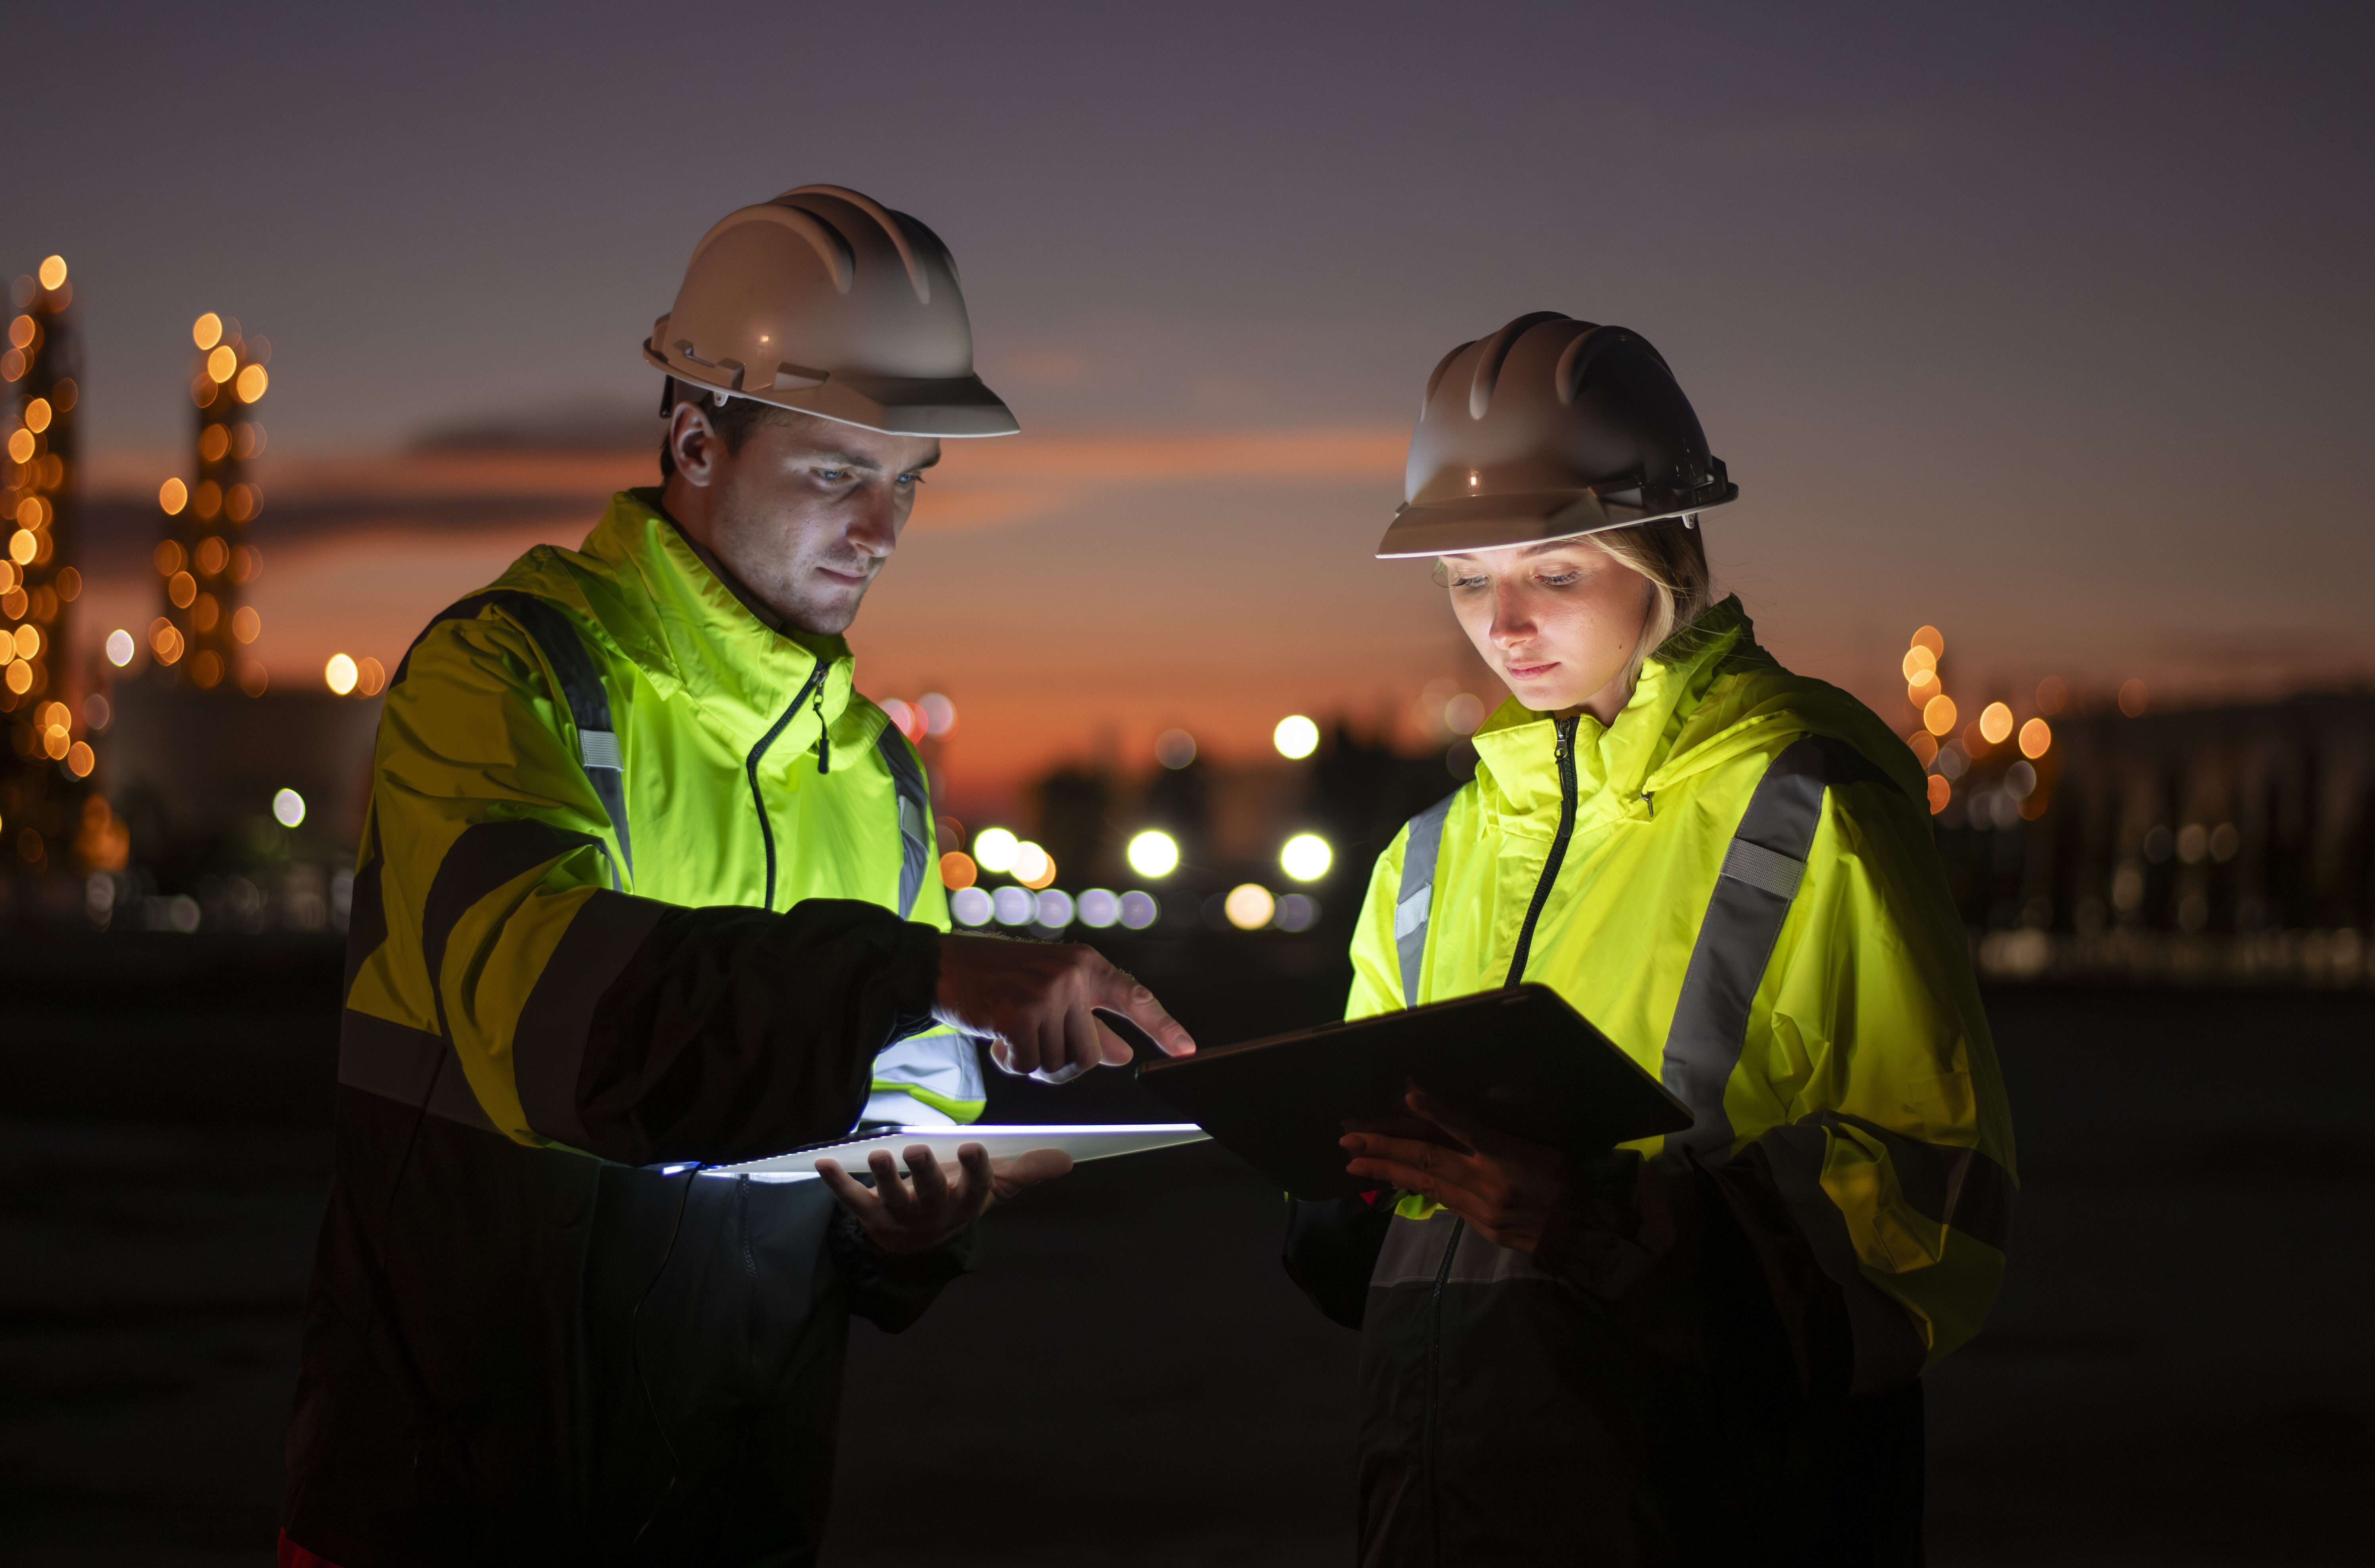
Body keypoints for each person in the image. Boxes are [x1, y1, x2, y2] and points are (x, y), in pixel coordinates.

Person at [280, 185, 1195, 1567]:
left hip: (735, 1514)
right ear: (696, 438)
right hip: (452, 1507)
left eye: (908, 483)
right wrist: (920, 971)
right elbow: (563, 1037)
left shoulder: (877, 777)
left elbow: (909, 1121)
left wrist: (919, 1223)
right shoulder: (505, 677)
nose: (881, 532)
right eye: (838, 474)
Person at [1281, 312, 2017, 1566]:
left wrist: (1592, 1214)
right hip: (1443, 1504)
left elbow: (1927, 1210)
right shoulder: (1424, 861)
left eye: (1553, 572)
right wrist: (1338, 1190)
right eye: (1469, 579)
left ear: (1665, 552)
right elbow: (1382, 1228)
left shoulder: (1810, 803)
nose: (1504, 623)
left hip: (1722, 1506)